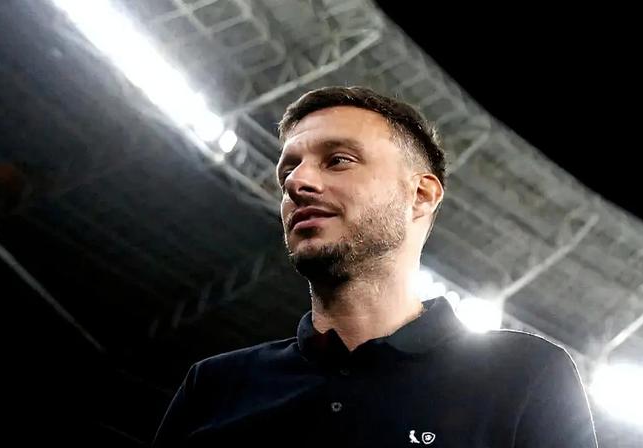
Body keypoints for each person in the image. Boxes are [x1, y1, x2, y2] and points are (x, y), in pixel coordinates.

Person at [151, 86, 598, 447]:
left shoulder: (524, 375)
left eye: (338, 160)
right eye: (288, 170)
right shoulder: (214, 386)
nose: (297, 183)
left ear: (421, 195)